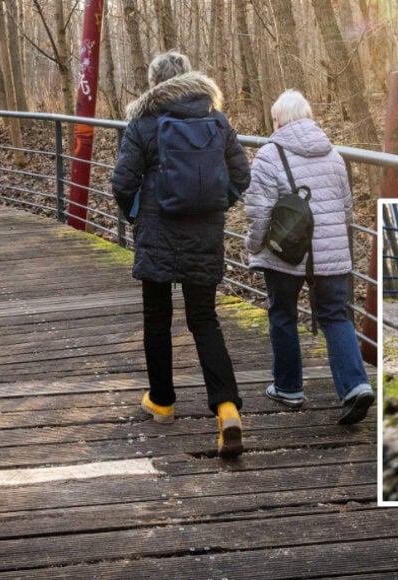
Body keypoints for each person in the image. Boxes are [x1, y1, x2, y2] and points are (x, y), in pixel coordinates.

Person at [111, 51, 250, 458]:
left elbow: (123, 181)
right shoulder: (216, 120)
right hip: (204, 236)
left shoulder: (143, 122)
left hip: (156, 234)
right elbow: (242, 175)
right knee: (204, 320)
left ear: (155, 82)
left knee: (157, 320)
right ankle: (226, 409)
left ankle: (163, 401)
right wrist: (214, 207)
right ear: (189, 78)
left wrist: (138, 213)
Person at [244, 89, 374, 425]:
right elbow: (346, 210)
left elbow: (258, 213)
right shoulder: (333, 154)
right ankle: (356, 386)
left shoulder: (269, 155)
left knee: (283, 313)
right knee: (335, 316)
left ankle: (289, 388)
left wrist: (254, 246)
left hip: (286, 253)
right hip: (331, 253)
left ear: (278, 120)